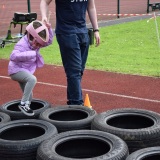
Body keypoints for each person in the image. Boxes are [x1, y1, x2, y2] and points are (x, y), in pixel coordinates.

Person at [40, 0, 100, 105]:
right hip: (66, 32)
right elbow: (44, 2)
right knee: (74, 71)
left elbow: (91, 7)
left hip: (83, 32)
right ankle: (77, 105)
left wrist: (96, 30)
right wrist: (44, 16)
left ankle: (72, 103)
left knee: (79, 71)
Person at [8, 20, 54, 116]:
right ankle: (23, 104)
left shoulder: (35, 42)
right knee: (32, 79)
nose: (38, 46)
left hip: (24, 70)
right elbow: (13, 56)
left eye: (39, 45)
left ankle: (24, 113)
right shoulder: (22, 44)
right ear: (31, 37)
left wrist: (49, 29)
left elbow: (48, 42)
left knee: (30, 96)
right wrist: (31, 54)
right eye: (37, 44)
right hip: (15, 70)